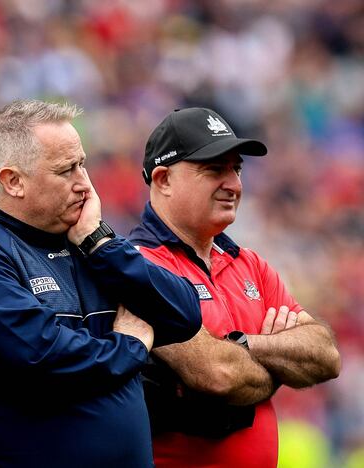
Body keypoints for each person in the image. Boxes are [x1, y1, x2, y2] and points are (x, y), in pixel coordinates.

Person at [0, 99, 202, 467]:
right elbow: (44, 357)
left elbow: (184, 314)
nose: (85, 184)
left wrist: (102, 243)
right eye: (66, 170)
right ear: (13, 181)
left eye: (82, 164)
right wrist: (131, 346)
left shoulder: (90, 245)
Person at [129, 107, 342, 467]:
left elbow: (326, 357)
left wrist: (242, 344)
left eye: (236, 169)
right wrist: (278, 362)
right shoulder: (137, 266)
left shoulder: (249, 263)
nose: (234, 184)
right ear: (163, 179)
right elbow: (220, 375)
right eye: (215, 170)